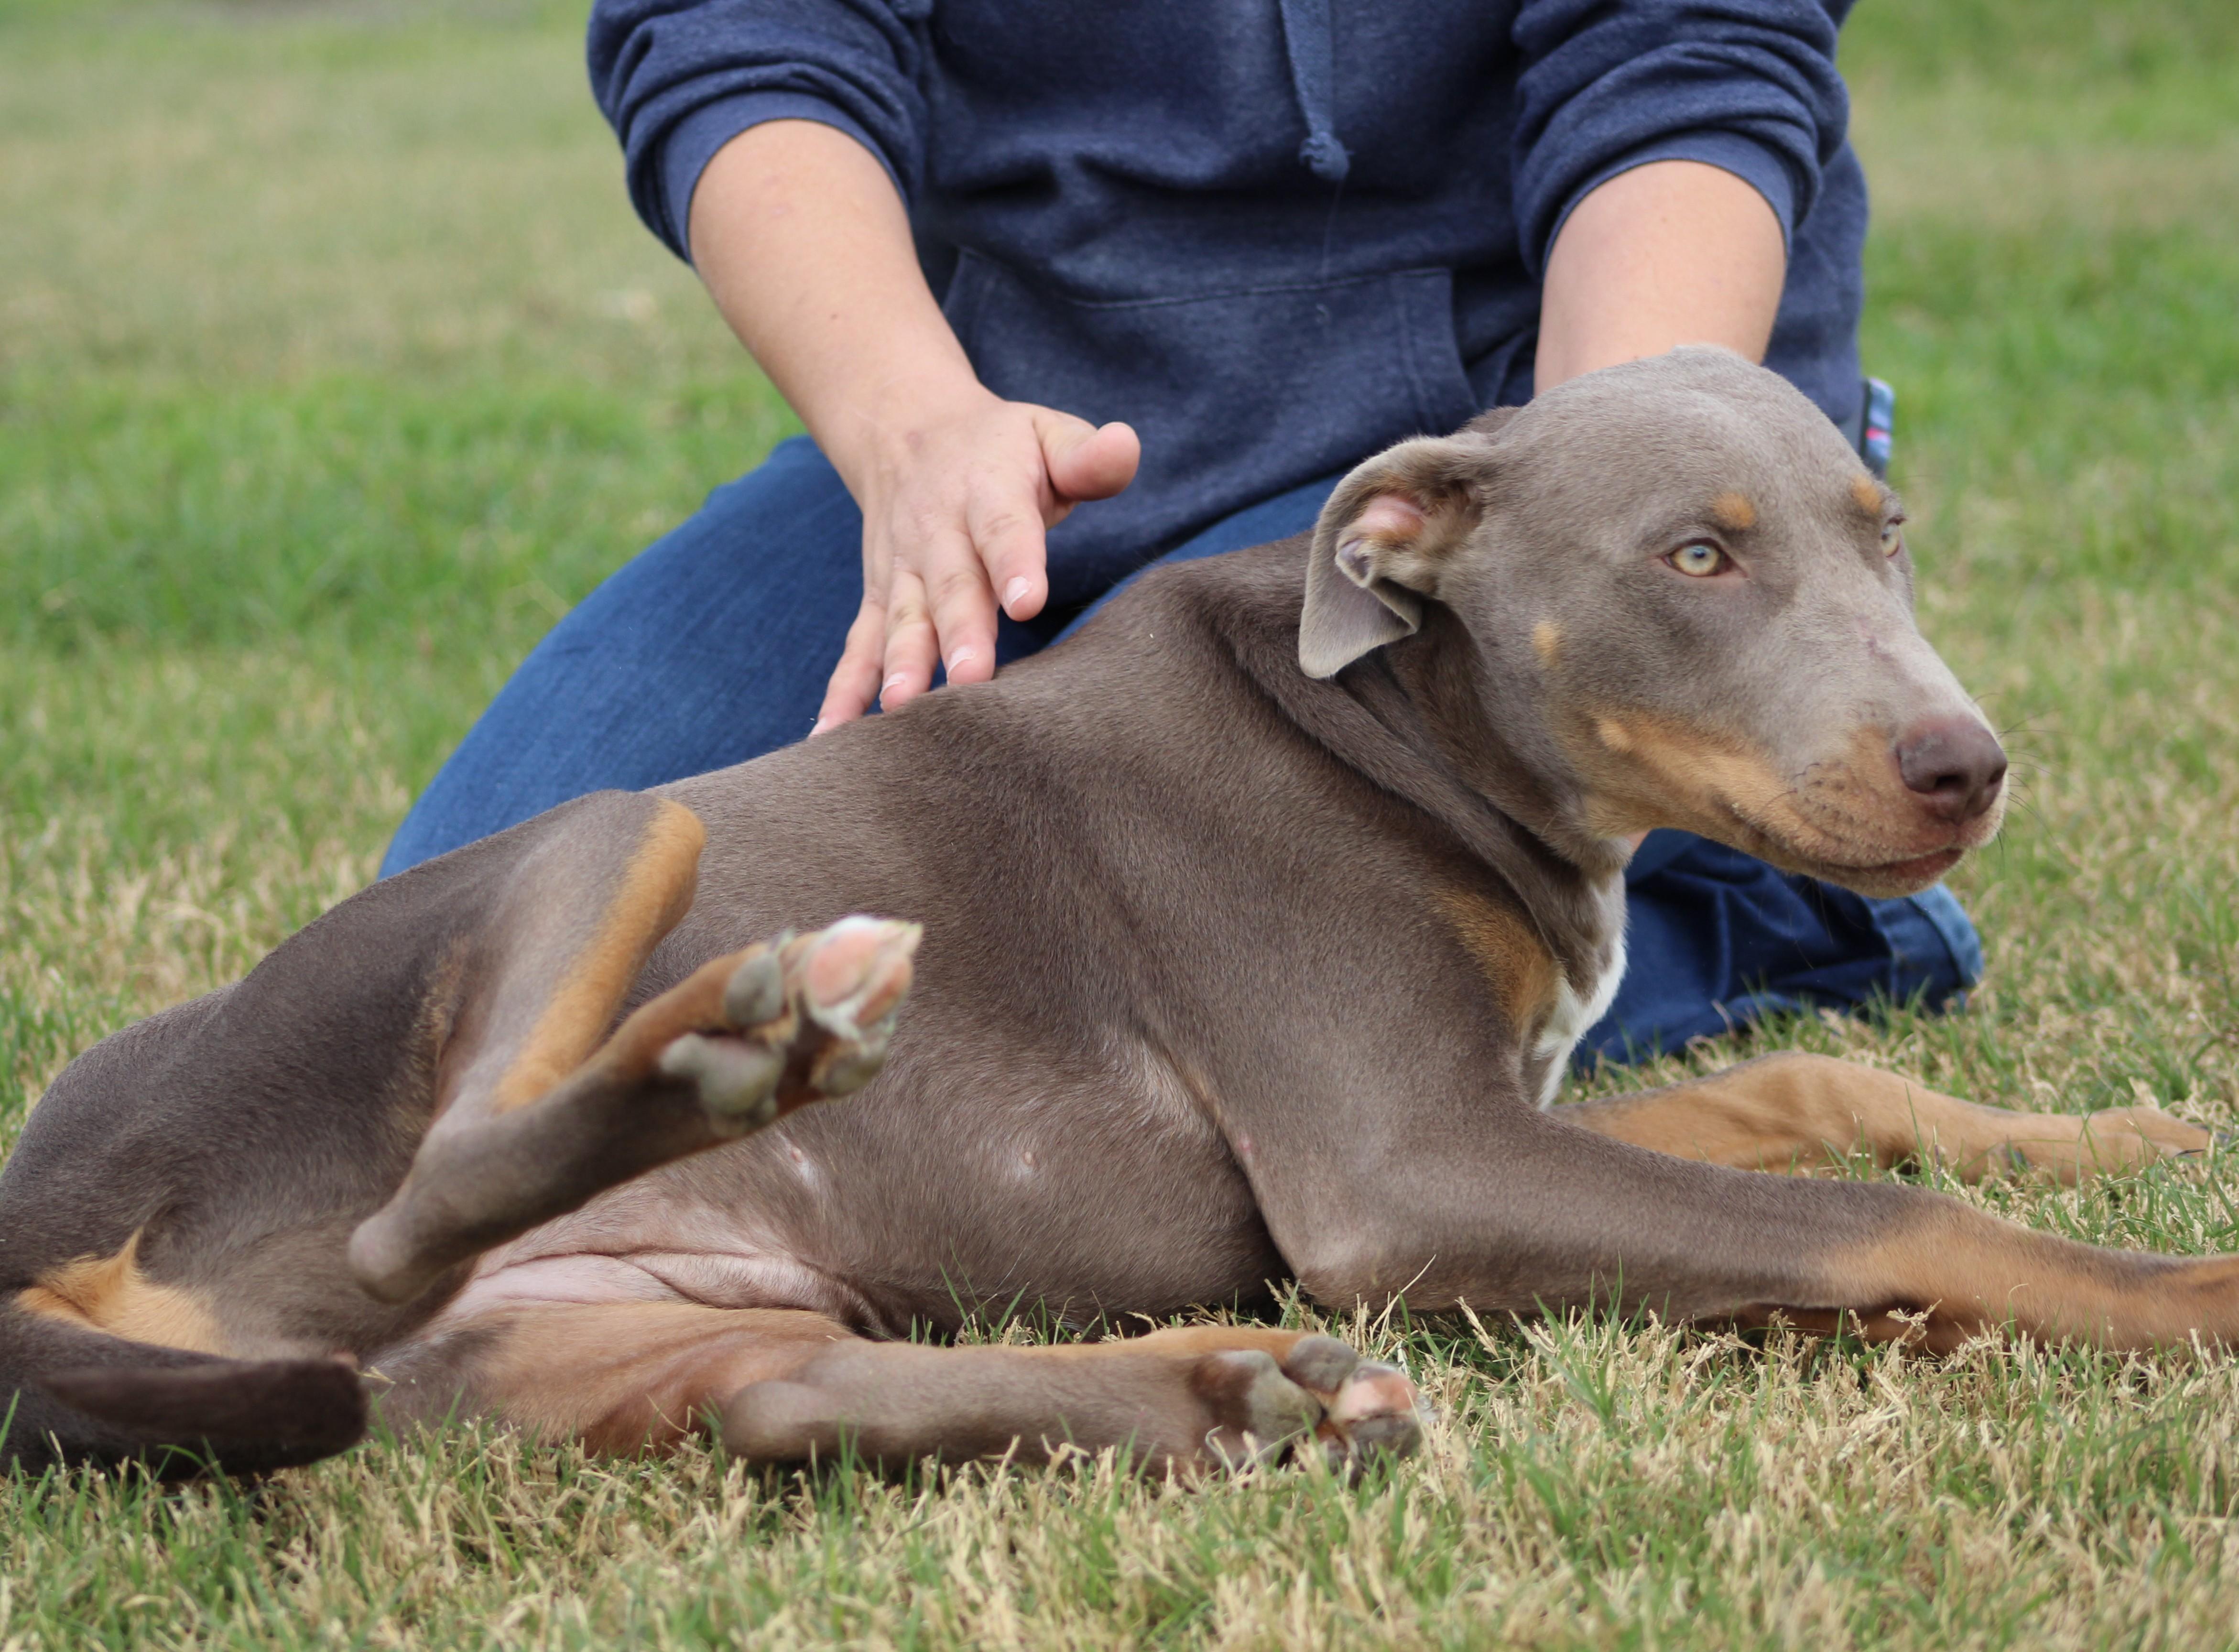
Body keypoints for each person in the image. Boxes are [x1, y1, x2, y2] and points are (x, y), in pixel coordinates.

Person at [380, 0, 1982, 1064]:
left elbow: (1685, 54)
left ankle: (1758, 896)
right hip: (1013, 413)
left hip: (1512, 416)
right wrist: (913, 430)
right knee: (460, 955)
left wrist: (1585, 489)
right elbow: (741, 32)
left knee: (1185, 994)